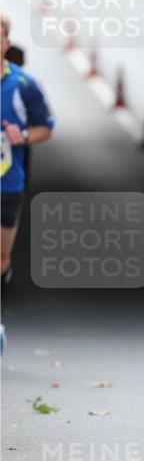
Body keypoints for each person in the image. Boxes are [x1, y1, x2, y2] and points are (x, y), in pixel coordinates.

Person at [1, 15, 54, 286]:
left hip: (8, 183)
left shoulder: (24, 85)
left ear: (5, 43)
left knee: (1, 258)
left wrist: (21, 135)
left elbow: (45, 127)